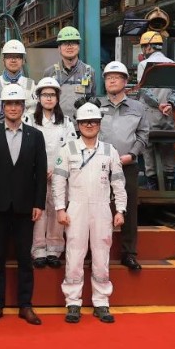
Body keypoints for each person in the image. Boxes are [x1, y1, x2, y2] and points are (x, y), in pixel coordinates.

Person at [53, 101, 126, 324]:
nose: (89, 125)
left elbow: (118, 182)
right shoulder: (68, 149)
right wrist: (60, 208)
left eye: (93, 121)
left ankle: (101, 302)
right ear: (78, 124)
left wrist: (120, 209)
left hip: (102, 207)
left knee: (102, 253)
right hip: (75, 208)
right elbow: (58, 181)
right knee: (74, 253)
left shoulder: (109, 150)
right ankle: (73, 302)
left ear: (99, 124)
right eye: (85, 122)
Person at [0, 83, 47, 326]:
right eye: (8, 103)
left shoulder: (35, 135)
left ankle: (25, 305)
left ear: (23, 107)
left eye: (17, 104)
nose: (13, 108)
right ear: (3, 107)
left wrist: (38, 203)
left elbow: (40, 173)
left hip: (24, 207)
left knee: (24, 259)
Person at [99, 61, 149, 271]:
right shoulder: (96, 106)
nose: (112, 80)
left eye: (116, 77)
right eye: (108, 77)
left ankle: (129, 253)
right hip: (99, 165)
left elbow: (144, 135)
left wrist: (131, 155)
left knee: (127, 210)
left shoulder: (138, 107)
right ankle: (97, 253)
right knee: (99, 209)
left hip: (127, 166)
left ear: (125, 82)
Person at [30, 77, 76, 269]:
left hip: (60, 175)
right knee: (39, 212)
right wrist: (39, 170)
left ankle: (54, 250)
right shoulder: (30, 120)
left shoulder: (66, 122)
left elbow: (72, 149)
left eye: (52, 95)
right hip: (36, 176)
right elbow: (27, 148)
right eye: (45, 94)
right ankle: (39, 249)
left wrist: (57, 170)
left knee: (57, 210)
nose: (48, 98)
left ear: (57, 98)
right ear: (38, 97)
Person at [136, 31, 175, 189]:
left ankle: (152, 184)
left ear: (148, 47)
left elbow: (144, 90)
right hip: (167, 115)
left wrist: (158, 104)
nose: (143, 50)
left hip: (150, 114)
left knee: (148, 147)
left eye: (143, 47)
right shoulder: (172, 63)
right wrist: (170, 103)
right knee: (167, 146)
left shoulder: (144, 65)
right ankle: (169, 182)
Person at [44, 26, 95, 122]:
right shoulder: (50, 72)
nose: (69, 46)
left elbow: (92, 98)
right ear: (59, 48)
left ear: (79, 47)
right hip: (56, 125)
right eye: (65, 43)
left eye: (73, 43)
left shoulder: (89, 72)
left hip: (81, 126)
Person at [0, 39, 37, 115]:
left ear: (23, 61)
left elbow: (33, 110)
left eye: (17, 57)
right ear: (3, 60)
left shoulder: (31, 84)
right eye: (9, 57)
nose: (13, 60)